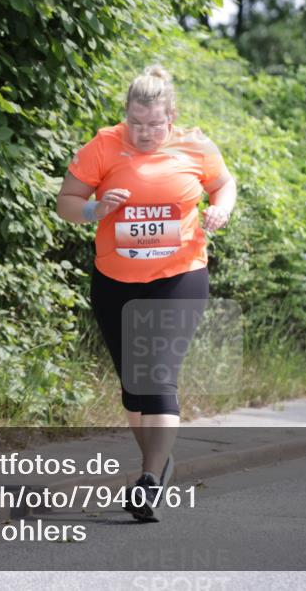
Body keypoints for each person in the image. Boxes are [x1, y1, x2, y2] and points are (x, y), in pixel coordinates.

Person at [56, 65, 237, 520]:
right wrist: (96, 207)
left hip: (179, 277)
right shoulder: (103, 146)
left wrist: (220, 210)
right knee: (134, 390)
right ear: (126, 116)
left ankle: (151, 480)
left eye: (154, 124)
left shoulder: (195, 145)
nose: (144, 132)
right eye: (136, 123)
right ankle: (156, 464)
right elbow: (66, 204)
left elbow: (224, 184)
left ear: (171, 116)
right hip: (115, 282)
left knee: (157, 377)